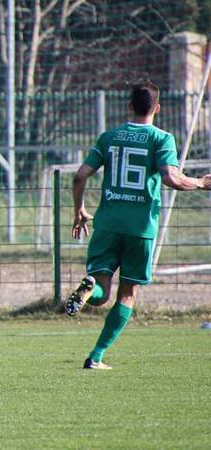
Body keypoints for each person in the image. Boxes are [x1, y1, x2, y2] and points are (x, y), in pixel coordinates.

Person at [67, 80, 211, 370]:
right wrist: (200, 183)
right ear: (157, 108)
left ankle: (90, 289)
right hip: (141, 227)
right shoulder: (162, 139)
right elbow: (171, 177)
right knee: (127, 295)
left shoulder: (109, 137)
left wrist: (80, 209)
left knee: (102, 293)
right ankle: (96, 356)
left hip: (107, 224)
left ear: (129, 106)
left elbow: (80, 176)